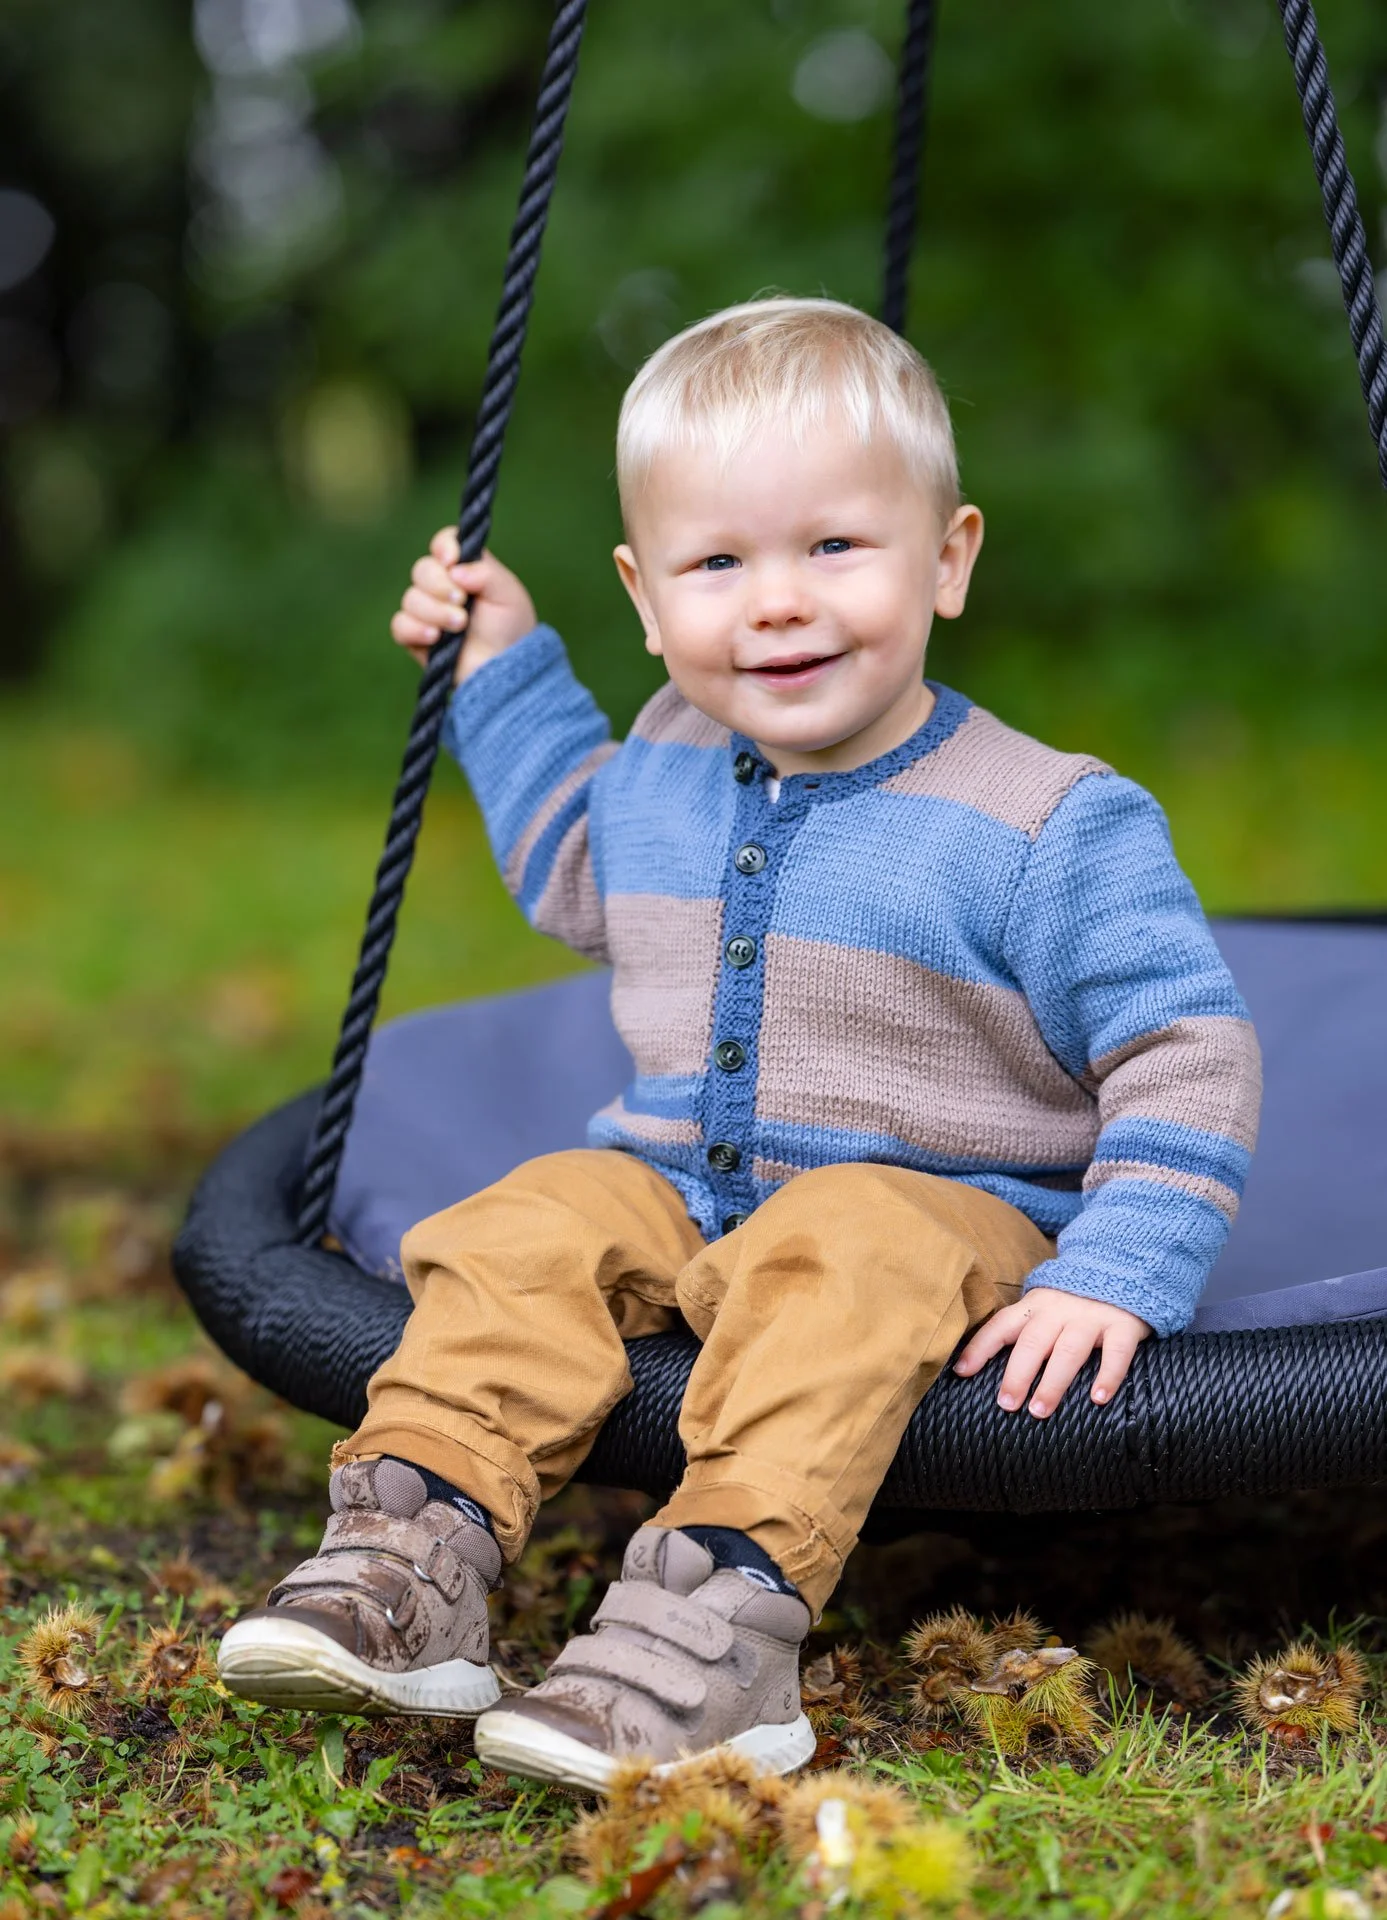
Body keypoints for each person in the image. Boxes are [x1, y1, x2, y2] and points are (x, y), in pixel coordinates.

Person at [217, 297, 1261, 1789]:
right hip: (681, 1190)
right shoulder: (663, 758)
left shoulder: (1048, 821)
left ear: (947, 557)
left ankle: (717, 1626)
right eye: (717, 564)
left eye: (833, 546)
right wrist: (500, 666)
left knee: (842, 1246)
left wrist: (1120, 1265)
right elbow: (573, 860)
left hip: (939, 1209)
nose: (775, 603)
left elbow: (1187, 1049)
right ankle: (416, 1546)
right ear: (646, 600)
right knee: (525, 1223)